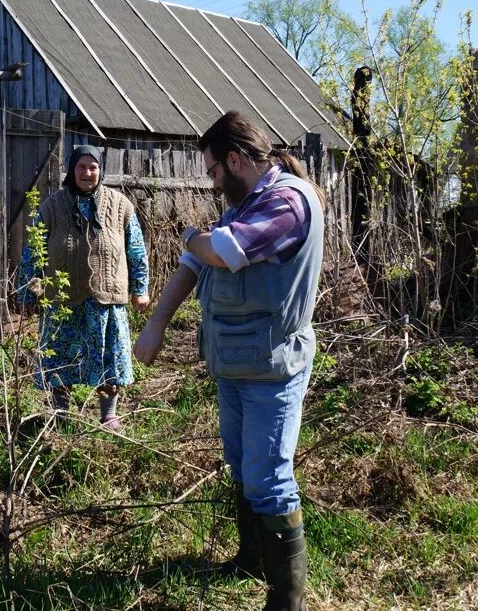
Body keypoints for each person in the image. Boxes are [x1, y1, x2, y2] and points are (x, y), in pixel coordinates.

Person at [133, 112, 324, 609]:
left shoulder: (287, 202)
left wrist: (192, 236)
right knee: (242, 466)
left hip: (273, 368)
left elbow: (224, 251)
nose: (213, 183)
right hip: (237, 362)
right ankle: (251, 560)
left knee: (269, 477)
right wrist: (155, 324)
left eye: (214, 172)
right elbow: (194, 265)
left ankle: (287, 601)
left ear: (236, 160)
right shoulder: (249, 202)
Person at [18, 145, 149, 430]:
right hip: (64, 302)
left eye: (93, 167)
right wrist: (27, 291)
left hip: (106, 300)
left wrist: (140, 288)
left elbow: (136, 250)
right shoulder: (52, 207)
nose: (87, 173)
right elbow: (33, 250)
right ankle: (60, 414)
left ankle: (109, 415)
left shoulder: (120, 205)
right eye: (81, 167)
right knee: (61, 359)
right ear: (72, 169)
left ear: (100, 171)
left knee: (107, 357)